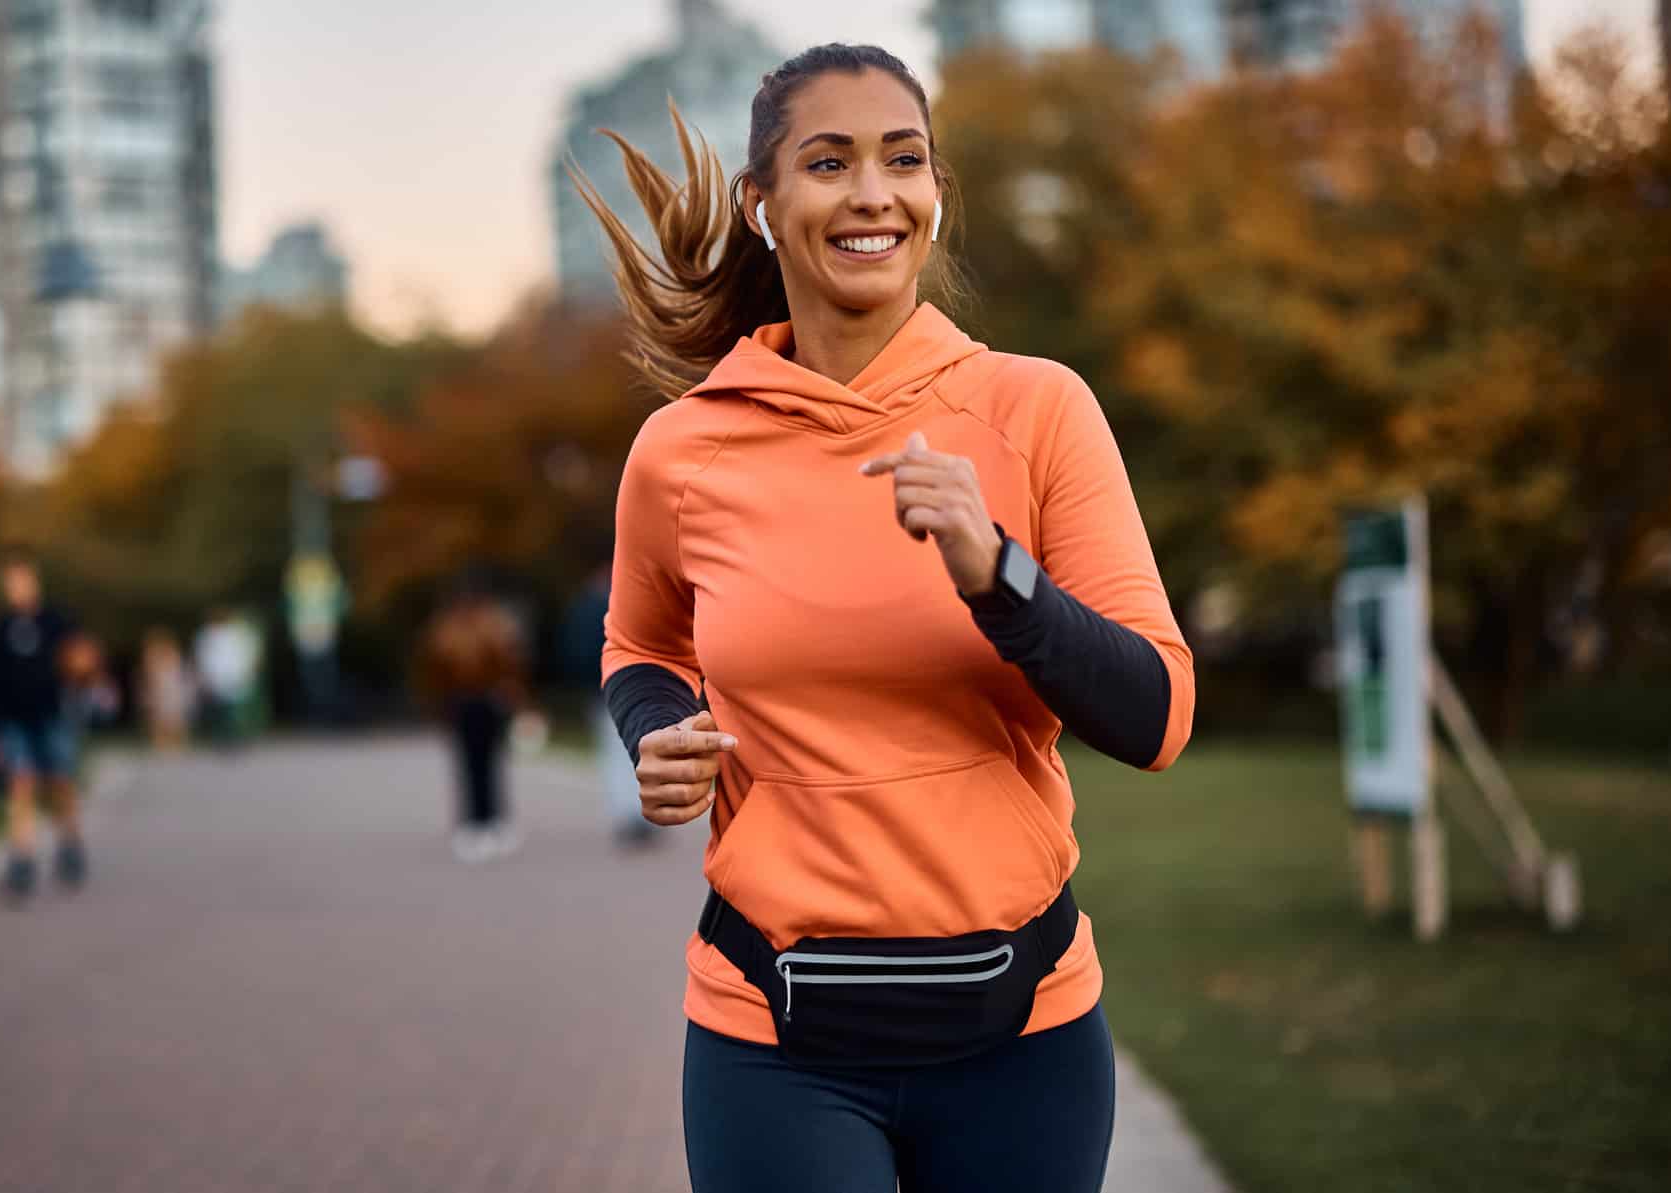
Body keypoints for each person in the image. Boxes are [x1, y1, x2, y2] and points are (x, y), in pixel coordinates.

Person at [577, 45, 1195, 1193]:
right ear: (763, 206)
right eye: (830, 161)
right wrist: (658, 727)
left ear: (935, 193)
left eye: (903, 159)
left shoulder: (1037, 408)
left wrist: (997, 574)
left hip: (1024, 1036)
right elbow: (641, 639)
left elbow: (1157, 715)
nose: (872, 192)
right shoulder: (683, 448)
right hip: (775, 1037)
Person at [0, 550, 89, 901]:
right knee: (20, 784)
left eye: (22, 580)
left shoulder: (57, 622)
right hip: (14, 720)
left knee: (61, 783)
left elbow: (81, 660)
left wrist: (82, 667)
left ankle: (70, 843)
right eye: (11, 582)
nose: (17, 588)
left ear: (34, 581)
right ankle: (22, 857)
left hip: (52, 715)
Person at [416, 576, 530, 864]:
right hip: (463, 702)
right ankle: (475, 822)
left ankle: (491, 819)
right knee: (472, 763)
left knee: (486, 762)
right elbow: (434, 670)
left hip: (485, 701)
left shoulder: (482, 627)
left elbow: (509, 664)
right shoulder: (456, 629)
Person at [561, 563, 655, 848]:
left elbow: (575, 653)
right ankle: (637, 812)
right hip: (623, 686)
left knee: (615, 752)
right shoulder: (620, 606)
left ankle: (626, 811)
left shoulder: (584, 608)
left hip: (602, 688)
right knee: (631, 750)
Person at [194, 608, 260, 750]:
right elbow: (204, 658)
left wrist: (246, 672)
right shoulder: (207, 635)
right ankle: (223, 739)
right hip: (218, 678)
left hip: (234, 677)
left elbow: (245, 655)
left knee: (232, 711)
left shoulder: (236, 634)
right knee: (221, 711)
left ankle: (235, 738)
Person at [137, 627, 194, 752]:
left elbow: (176, 673)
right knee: (161, 719)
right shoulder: (153, 654)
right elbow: (149, 675)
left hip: (169, 690)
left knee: (173, 719)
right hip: (162, 691)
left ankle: (173, 747)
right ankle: (163, 747)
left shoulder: (171, 654)